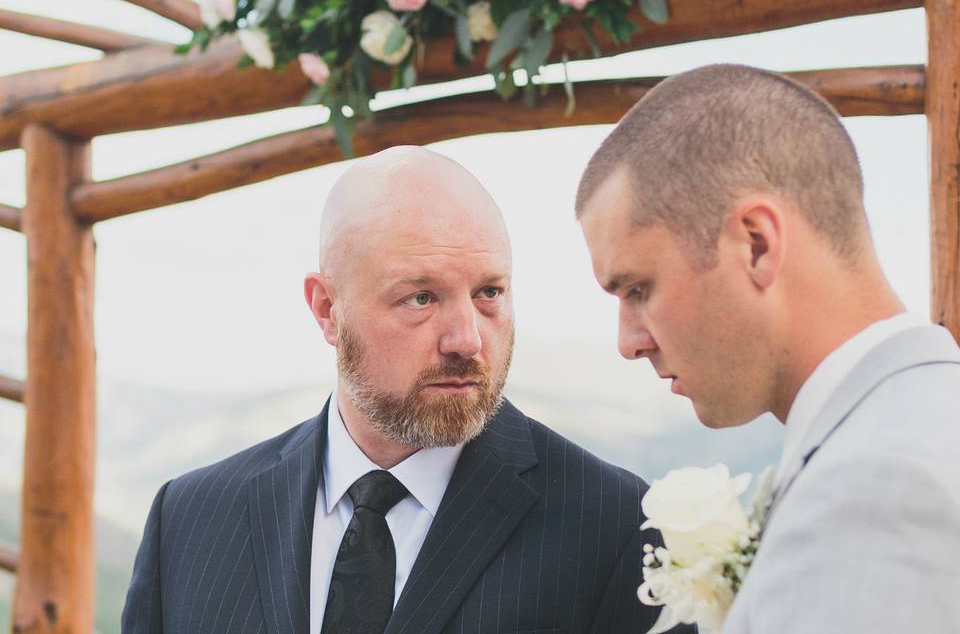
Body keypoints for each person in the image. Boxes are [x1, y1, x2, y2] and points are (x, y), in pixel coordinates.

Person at [123, 146, 694, 634]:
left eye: (489, 293)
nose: (466, 339)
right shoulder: (189, 519)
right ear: (327, 309)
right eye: (421, 297)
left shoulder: (618, 528)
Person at [576, 63, 960, 633]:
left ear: (756, 244)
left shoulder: (878, 487)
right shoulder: (916, 418)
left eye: (638, 289)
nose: (629, 343)